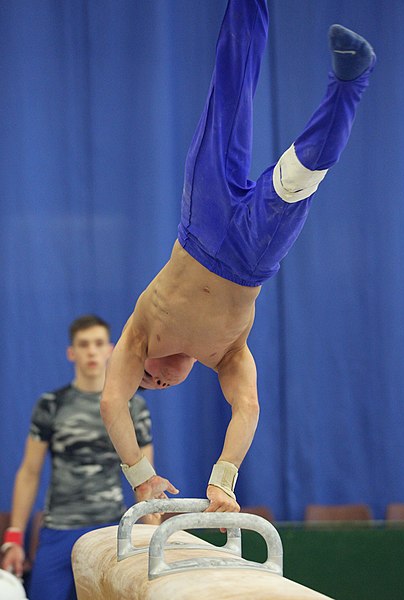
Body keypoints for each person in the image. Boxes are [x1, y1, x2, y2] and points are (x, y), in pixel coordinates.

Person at [100, 0, 376, 513]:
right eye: (158, 386)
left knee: (228, 92)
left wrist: (140, 477)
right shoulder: (229, 357)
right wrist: (223, 479)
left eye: (147, 378)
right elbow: (247, 408)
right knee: (299, 179)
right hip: (252, 255)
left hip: (199, 224)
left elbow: (112, 401)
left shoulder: (139, 334)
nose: (155, 381)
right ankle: (349, 82)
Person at [1, 315, 156, 600]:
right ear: (72, 353)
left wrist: (154, 540)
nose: (92, 351)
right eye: (84, 345)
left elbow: (147, 480)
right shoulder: (51, 405)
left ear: (111, 349)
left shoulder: (133, 406)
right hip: (58, 530)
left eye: (98, 344)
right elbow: (29, 472)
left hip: (111, 532)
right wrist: (14, 537)